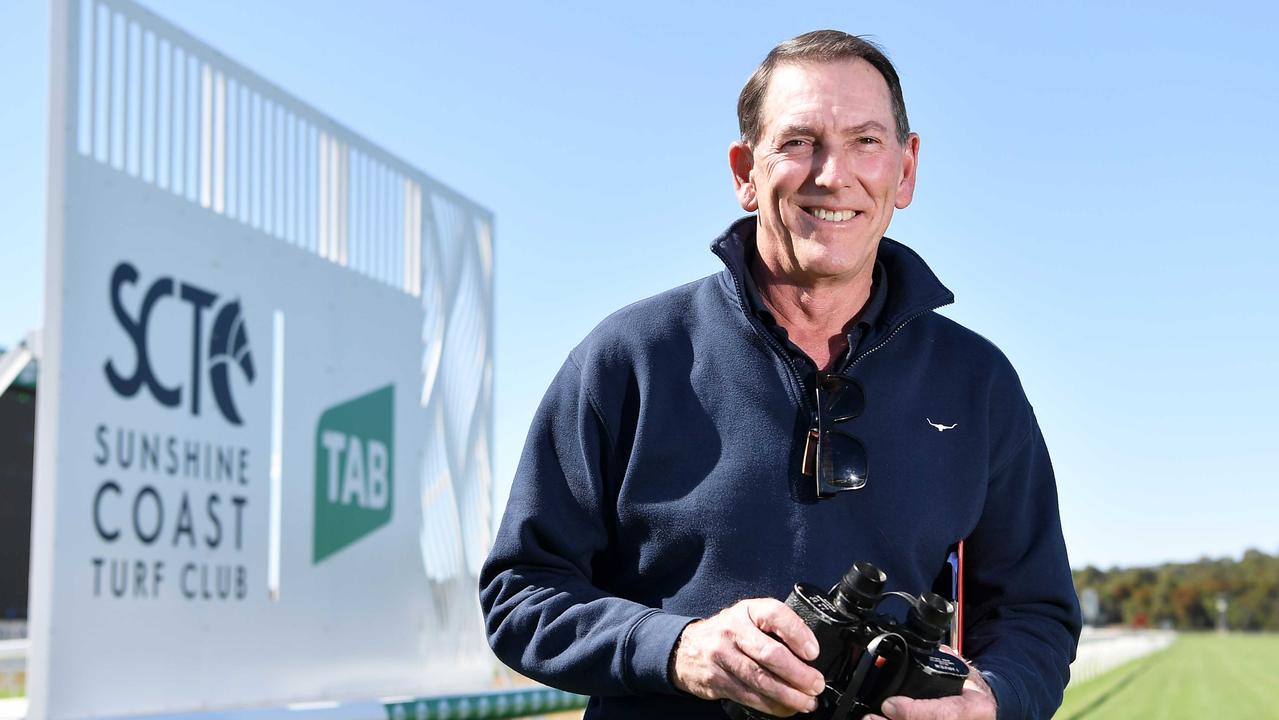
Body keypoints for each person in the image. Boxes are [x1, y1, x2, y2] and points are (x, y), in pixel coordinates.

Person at [480, 30, 1080, 720]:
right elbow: (520, 594)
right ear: (744, 172)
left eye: (865, 141)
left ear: (905, 170)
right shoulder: (628, 358)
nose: (832, 175)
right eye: (798, 143)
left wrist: (992, 699)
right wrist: (678, 648)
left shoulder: (978, 382)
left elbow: (1033, 613)